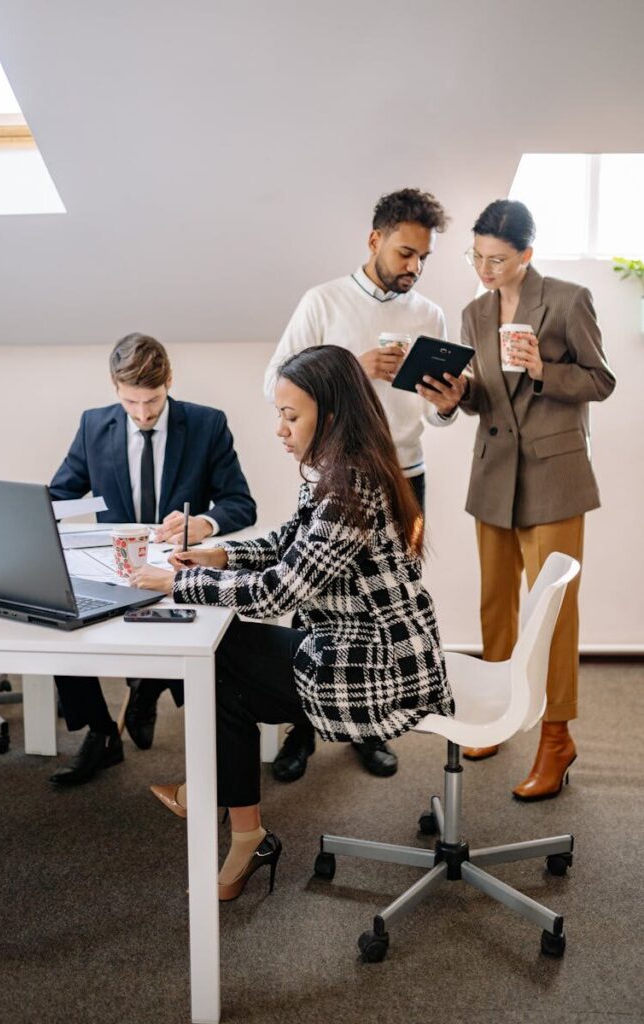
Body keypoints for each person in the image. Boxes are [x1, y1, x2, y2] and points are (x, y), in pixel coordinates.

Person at [131, 345, 454, 900]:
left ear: (331, 414)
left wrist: (176, 584)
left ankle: (221, 805)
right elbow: (291, 541)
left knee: (222, 658)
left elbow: (279, 591)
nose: (279, 429)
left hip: (382, 665)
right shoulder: (340, 468)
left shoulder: (351, 488)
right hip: (366, 644)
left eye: (290, 415)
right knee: (224, 675)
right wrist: (221, 555)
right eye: (279, 414)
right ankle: (241, 829)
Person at [262, 188, 466, 781]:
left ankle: (370, 726)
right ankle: (300, 730)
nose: (414, 267)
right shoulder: (323, 301)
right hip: (337, 476)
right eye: (405, 253)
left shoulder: (429, 315)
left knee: (388, 602)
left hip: (407, 478)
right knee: (314, 600)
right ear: (375, 240)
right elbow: (276, 383)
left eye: (423, 257)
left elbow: (433, 417)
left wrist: (447, 404)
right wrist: (353, 367)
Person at [432, 199, 614, 800]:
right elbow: (486, 397)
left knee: (552, 611)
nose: (485, 269)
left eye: (498, 259)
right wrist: (455, 396)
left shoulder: (567, 299)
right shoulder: (474, 313)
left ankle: (556, 737)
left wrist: (542, 370)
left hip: (554, 475)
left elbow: (601, 380)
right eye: (477, 257)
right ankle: (496, 714)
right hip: (493, 474)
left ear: (526, 255)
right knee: (496, 603)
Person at [48, 332, 256, 786]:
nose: (142, 414)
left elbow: (241, 503)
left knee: (196, 639)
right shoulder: (93, 425)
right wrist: (41, 516)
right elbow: (60, 495)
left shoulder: (206, 424)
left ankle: (152, 689)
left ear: (169, 382)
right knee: (58, 619)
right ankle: (102, 731)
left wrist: (205, 522)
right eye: (130, 402)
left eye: (153, 401)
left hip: (176, 568)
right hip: (113, 567)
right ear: (114, 387)